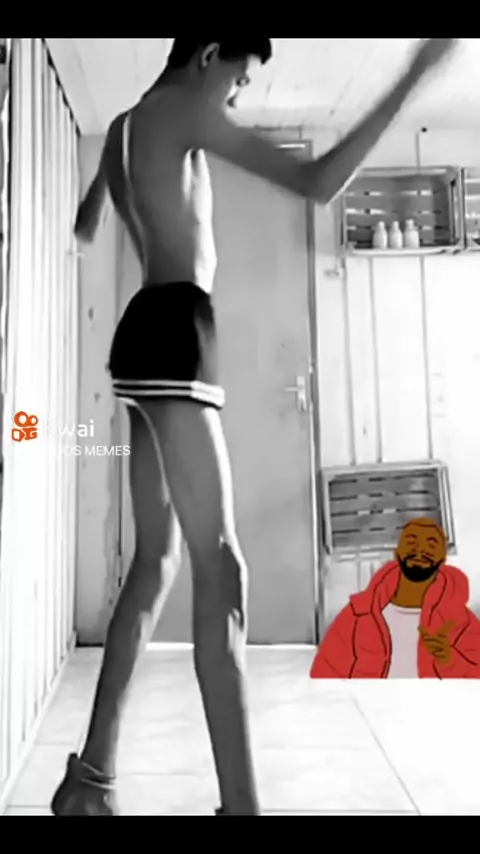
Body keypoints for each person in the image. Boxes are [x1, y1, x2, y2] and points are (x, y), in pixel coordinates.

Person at [51, 37, 457, 816]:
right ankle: (241, 807)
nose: (235, 98)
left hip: (142, 335)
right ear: (208, 55)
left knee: (155, 562)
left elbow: (92, 207)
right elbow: (316, 181)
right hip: (177, 335)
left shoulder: (128, 125)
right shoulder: (186, 111)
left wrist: (94, 214)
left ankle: (88, 782)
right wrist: (411, 78)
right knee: (225, 573)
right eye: (238, 80)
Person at [310, 518, 480, 679]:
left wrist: (450, 662)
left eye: (431, 544)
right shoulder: (358, 614)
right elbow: (324, 676)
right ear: (397, 553)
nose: (420, 550)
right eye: (411, 541)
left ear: (443, 558)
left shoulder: (462, 622)